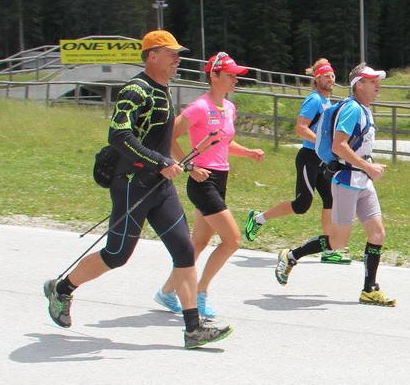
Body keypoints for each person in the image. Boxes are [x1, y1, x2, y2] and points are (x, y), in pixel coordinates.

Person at [43, 30, 232, 350]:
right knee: (116, 255)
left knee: (184, 250)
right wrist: (160, 161)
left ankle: (193, 328)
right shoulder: (136, 89)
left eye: (178, 54)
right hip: (132, 184)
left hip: (160, 186)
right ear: (152, 56)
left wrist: (173, 164)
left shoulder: (163, 88)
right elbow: (118, 135)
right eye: (171, 54)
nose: (177, 59)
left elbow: (157, 139)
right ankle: (62, 289)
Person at [274, 63, 396, 306]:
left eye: (377, 81)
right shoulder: (352, 109)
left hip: (363, 180)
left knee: (377, 232)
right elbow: (338, 146)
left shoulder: (364, 109)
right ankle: (292, 255)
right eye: (372, 81)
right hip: (346, 181)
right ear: (359, 85)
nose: (377, 85)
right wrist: (368, 166)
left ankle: (369, 289)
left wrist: (367, 167)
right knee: (338, 242)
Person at [154, 52, 264, 318]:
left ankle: (167, 292)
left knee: (200, 242)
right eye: (230, 75)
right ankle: (200, 293)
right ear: (214, 76)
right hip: (202, 181)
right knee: (232, 240)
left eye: (236, 76)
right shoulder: (199, 107)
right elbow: (168, 137)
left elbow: (224, 143)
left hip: (220, 178)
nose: (235, 80)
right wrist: (189, 166)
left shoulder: (229, 107)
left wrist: (248, 152)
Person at [243, 58, 351, 264]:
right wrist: (322, 143)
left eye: (332, 76)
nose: (330, 79)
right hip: (309, 157)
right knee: (302, 205)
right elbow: (300, 128)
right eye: (326, 76)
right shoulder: (314, 100)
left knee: (331, 201)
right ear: (316, 79)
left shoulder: (328, 102)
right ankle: (258, 218)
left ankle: (328, 250)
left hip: (323, 159)